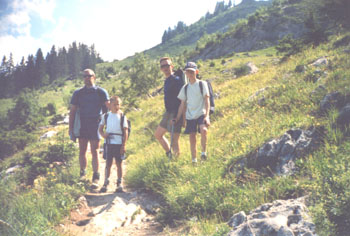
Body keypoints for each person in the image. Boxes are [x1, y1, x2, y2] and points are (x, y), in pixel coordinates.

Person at [69, 69, 109, 189]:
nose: (87, 78)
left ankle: (96, 178)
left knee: (95, 151)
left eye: (89, 76)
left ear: (94, 77)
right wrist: (70, 128)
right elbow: (72, 111)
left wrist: (107, 125)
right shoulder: (78, 93)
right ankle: (83, 175)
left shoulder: (101, 92)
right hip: (82, 124)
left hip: (96, 124)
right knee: (82, 150)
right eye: (85, 76)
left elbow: (109, 108)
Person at [173, 62, 210, 164]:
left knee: (204, 130)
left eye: (191, 72)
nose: (189, 74)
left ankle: (203, 153)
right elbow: (182, 105)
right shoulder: (185, 88)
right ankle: (194, 160)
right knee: (192, 137)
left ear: (196, 72)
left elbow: (207, 100)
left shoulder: (202, 84)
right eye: (187, 72)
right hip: (190, 116)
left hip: (201, 113)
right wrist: (178, 118)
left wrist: (207, 116)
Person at [154, 57, 184, 158]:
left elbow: (182, 100)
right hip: (168, 113)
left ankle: (176, 163)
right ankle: (169, 154)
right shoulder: (167, 80)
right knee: (158, 135)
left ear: (172, 66)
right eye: (163, 66)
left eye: (167, 65)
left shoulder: (177, 80)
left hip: (176, 113)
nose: (165, 68)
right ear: (161, 69)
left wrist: (177, 116)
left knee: (174, 140)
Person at [98, 96, 128, 193]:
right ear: (110, 105)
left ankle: (119, 183)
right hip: (109, 143)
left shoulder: (122, 117)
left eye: (118, 104)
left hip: (119, 143)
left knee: (119, 163)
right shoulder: (106, 116)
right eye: (114, 104)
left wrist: (124, 145)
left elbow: (125, 131)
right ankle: (106, 182)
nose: (116, 106)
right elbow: (100, 129)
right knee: (108, 163)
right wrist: (103, 135)